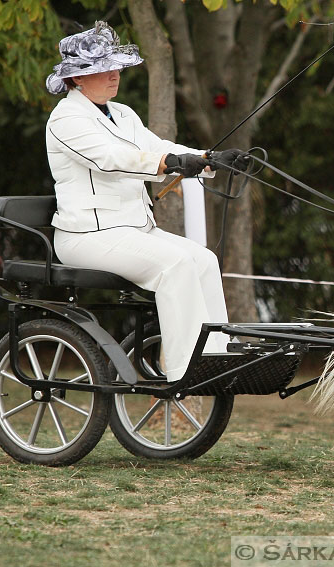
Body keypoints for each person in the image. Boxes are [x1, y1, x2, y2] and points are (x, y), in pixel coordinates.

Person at [45, 22, 249, 382]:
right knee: (175, 265)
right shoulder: (66, 118)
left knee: (203, 260)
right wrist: (167, 164)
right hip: (87, 237)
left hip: (133, 230)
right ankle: (186, 368)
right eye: (102, 69)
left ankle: (218, 357)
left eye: (116, 68)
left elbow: (159, 147)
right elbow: (108, 158)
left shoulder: (122, 114)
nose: (114, 75)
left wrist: (209, 158)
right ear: (77, 79)